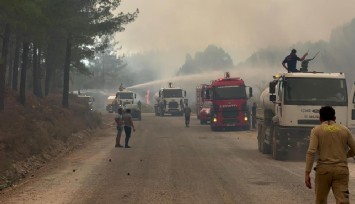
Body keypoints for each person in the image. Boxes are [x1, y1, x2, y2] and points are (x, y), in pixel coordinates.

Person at [305, 106, 355, 204]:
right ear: (335, 118)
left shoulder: (316, 130)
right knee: (343, 201)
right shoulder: (344, 130)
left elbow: (311, 152)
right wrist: (344, 155)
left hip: (323, 171)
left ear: (320, 118)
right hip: (341, 170)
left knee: (321, 200)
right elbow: (354, 149)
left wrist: (307, 173)